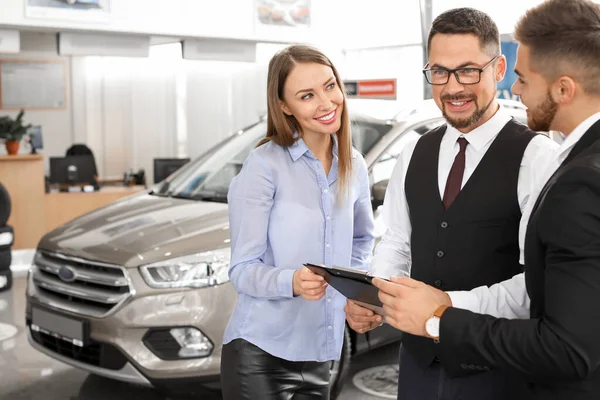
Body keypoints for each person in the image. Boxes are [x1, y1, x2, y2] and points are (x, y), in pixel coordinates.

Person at [371, 0, 600, 399]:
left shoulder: (541, 157)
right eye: (439, 72)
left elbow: (539, 285)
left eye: (468, 71)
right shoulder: (414, 151)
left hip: (498, 369)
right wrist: (379, 296)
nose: (453, 86)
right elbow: (396, 239)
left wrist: (443, 308)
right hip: (417, 361)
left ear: (497, 69)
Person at [220, 44, 375, 400]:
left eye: (330, 86)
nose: (326, 102)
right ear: (285, 107)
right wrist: (292, 281)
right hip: (260, 356)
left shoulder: (355, 164)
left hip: (324, 354)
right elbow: (242, 269)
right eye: (307, 95)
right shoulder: (264, 166)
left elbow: (362, 240)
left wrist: (357, 293)